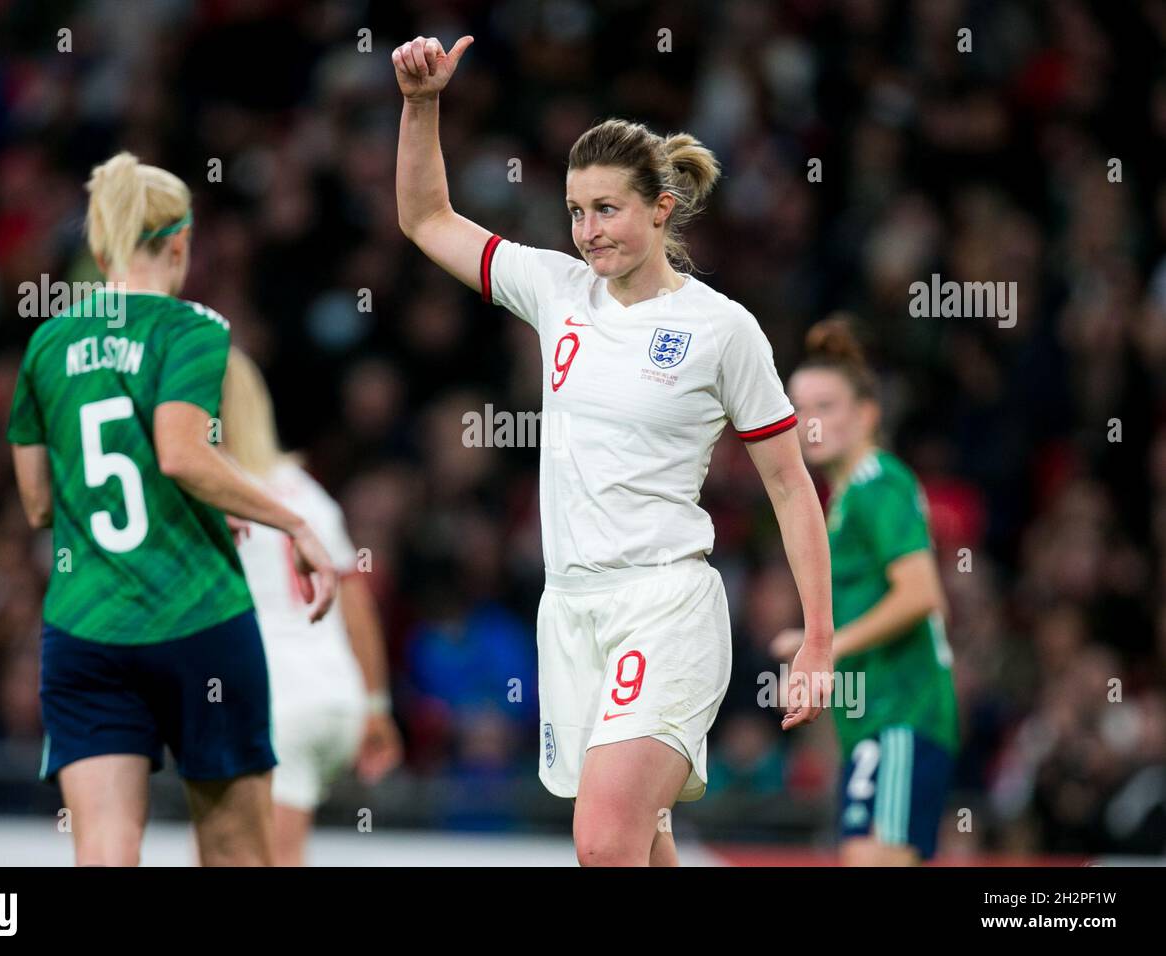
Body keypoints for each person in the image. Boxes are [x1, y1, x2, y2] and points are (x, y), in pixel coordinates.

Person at [392, 35, 835, 866]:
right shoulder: (558, 293)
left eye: (607, 209)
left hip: (664, 607)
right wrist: (422, 107)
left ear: (661, 208)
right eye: (575, 211)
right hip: (570, 612)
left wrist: (817, 640)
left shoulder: (722, 329)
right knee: (642, 847)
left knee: (601, 842)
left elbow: (789, 486)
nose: (587, 231)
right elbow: (425, 219)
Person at [7, 152, 336, 866]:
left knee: (102, 851)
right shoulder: (192, 329)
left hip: (84, 630)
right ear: (182, 242)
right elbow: (182, 454)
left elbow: (38, 504)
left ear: (100, 248)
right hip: (197, 620)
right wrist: (294, 523)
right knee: (235, 854)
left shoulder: (47, 342)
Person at [774, 316, 959, 865]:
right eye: (798, 407)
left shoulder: (879, 484)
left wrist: (826, 646)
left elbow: (923, 594)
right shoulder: (845, 499)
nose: (808, 422)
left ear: (868, 414)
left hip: (902, 715)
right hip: (877, 721)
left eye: (825, 406)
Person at [218, 346, 402, 866]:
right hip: (334, 696)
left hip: (275, 697)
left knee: (267, 857)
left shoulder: (212, 488)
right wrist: (375, 707)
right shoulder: (307, 492)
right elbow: (356, 602)